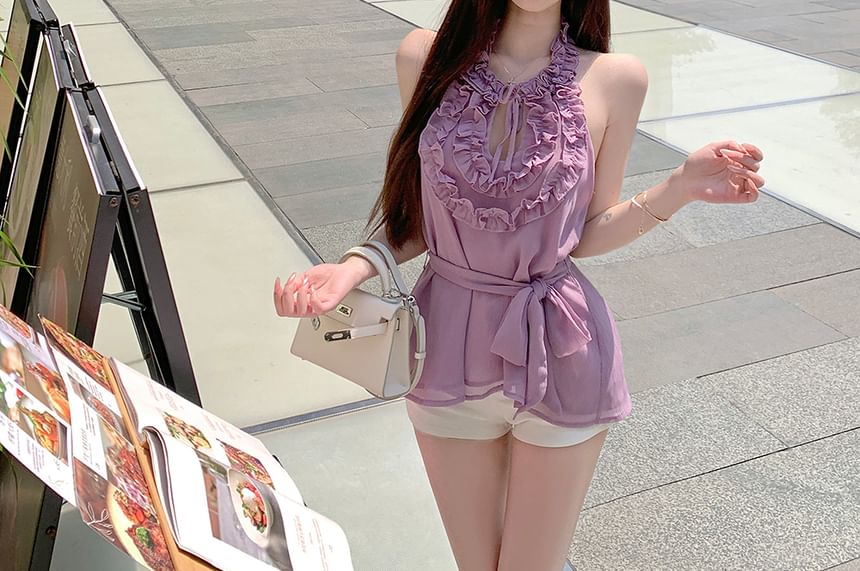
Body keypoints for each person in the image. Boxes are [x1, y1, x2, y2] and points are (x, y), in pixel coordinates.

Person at [273, 1, 764, 569]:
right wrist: (354, 266)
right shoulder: (425, 57)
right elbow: (418, 216)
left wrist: (677, 188)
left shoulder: (617, 78)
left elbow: (585, 232)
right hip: (445, 349)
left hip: (562, 351)